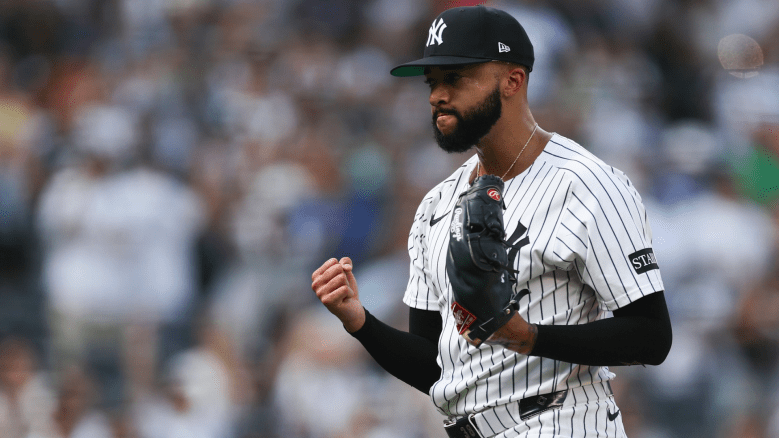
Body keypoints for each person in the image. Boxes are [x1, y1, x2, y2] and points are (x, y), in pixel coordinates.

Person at [311, 6, 672, 438]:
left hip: (561, 422)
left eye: (455, 79)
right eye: (432, 82)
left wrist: (530, 337)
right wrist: (361, 323)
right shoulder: (436, 204)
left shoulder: (586, 184)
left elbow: (652, 336)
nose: (436, 96)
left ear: (512, 81)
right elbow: (435, 365)